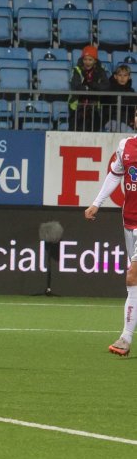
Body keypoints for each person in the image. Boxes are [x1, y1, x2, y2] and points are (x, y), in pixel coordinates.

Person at [84, 129, 137, 357]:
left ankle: (125, 337)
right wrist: (97, 202)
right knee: (135, 282)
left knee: (132, 276)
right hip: (129, 221)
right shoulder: (126, 146)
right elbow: (115, 174)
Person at [69, 45, 110, 132]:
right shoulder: (77, 70)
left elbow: (105, 86)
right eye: (85, 59)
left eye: (90, 60)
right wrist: (90, 89)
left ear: (95, 61)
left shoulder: (100, 71)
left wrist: (91, 84)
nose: (87, 62)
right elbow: (76, 86)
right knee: (74, 132)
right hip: (77, 107)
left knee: (93, 132)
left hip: (94, 107)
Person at [102, 64, 137, 133]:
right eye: (120, 75)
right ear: (115, 76)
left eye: (125, 75)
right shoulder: (109, 90)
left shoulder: (132, 91)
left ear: (129, 77)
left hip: (127, 122)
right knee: (131, 134)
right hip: (111, 121)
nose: (122, 78)